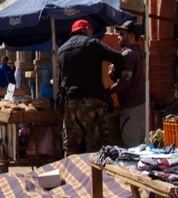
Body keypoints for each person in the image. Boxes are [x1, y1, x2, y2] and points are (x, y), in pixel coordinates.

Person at [56, 19, 125, 156]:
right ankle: (96, 177)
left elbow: (61, 80)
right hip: (92, 102)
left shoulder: (62, 50)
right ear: (87, 29)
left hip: (70, 103)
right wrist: (115, 75)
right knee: (98, 146)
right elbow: (118, 57)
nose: (92, 34)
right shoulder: (92, 44)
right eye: (91, 31)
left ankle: (72, 175)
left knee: (71, 147)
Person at [108, 20, 147, 148]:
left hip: (132, 107)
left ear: (131, 36)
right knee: (139, 146)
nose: (119, 37)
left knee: (132, 148)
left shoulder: (128, 54)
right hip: (139, 105)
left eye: (122, 34)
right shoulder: (137, 53)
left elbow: (124, 82)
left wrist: (107, 91)